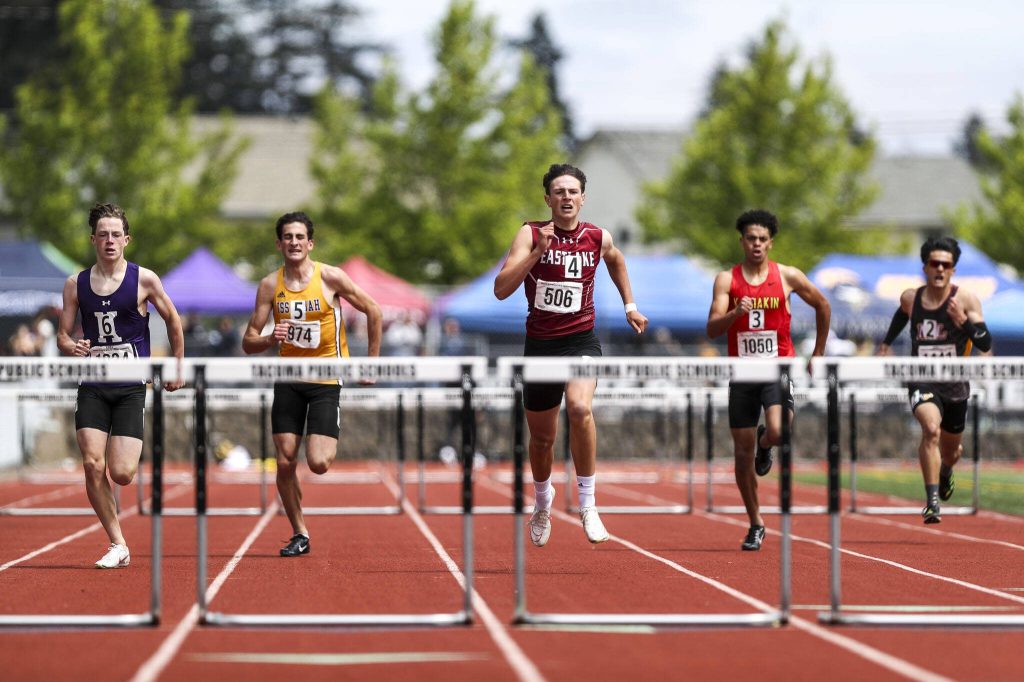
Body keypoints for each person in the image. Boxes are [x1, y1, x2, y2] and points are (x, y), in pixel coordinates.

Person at [494, 163, 648, 547]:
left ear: (582, 198)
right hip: (541, 346)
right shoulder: (530, 234)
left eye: (572, 191)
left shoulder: (597, 236)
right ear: (547, 199)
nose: (566, 197)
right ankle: (544, 502)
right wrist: (536, 255)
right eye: (558, 191)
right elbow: (501, 288)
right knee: (543, 439)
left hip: (580, 340)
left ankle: (588, 504)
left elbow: (616, 260)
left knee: (580, 409)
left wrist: (630, 304)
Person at [243, 211, 382, 557]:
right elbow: (248, 341)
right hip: (288, 380)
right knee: (285, 460)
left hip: (325, 379)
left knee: (319, 462)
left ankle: (327, 428)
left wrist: (373, 363)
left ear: (310, 243)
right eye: (287, 237)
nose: (293, 243)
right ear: (279, 244)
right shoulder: (268, 285)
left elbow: (374, 310)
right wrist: (268, 338)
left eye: (299, 237)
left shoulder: (330, 277)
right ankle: (299, 531)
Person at [56, 203, 185, 568]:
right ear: (93, 239)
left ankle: (118, 536)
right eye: (103, 234)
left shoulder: (144, 279)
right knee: (92, 464)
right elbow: (63, 337)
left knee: (123, 473)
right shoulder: (75, 284)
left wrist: (178, 365)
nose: (109, 240)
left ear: (126, 240)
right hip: (93, 384)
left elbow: (174, 321)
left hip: (130, 386)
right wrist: (73, 346)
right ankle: (117, 542)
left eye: (116, 234)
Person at [706, 209, 830, 551]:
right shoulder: (726, 280)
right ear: (742, 241)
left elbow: (822, 305)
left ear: (770, 243)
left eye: (762, 239)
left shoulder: (787, 276)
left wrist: (817, 353)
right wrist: (735, 313)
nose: (756, 244)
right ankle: (756, 522)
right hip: (743, 374)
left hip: (777, 369)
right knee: (741, 453)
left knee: (778, 431)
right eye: (751, 238)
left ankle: (766, 443)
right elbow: (712, 328)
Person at [876, 236, 991, 524]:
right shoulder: (911, 298)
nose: (940, 269)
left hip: (955, 384)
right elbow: (901, 314)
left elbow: (985, 342)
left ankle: (946, 471)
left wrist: (962, 321)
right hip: (921, 379)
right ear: (925, 267)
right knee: (930, 429)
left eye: (946, 265)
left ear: (953, 269)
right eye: (934, 263)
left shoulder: (965, 299)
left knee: (951, 452)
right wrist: (887, 344)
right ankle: (932, 502)